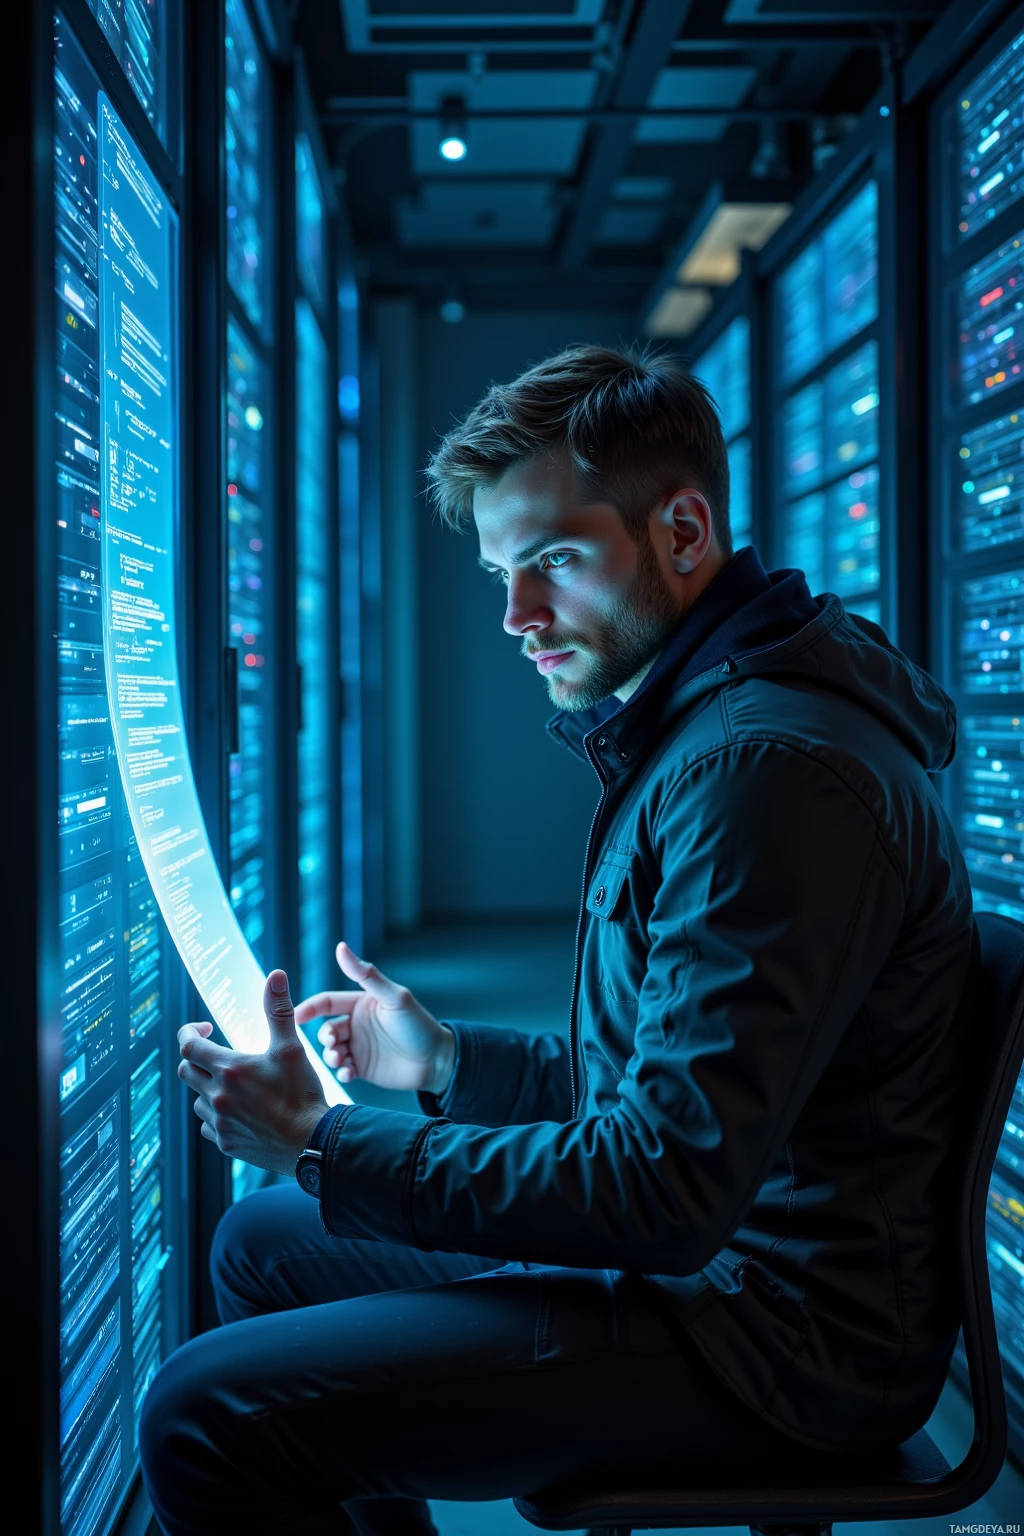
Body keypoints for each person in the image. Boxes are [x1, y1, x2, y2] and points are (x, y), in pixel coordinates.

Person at [140, 346, 975, 1536]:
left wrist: (323, 1143)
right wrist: (443, 1066)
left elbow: (664, 1184)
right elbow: (668, 1092)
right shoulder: (717, 729)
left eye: (553, 564)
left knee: (198, 1416)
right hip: (722, 1274)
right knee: (265, 1243)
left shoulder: (762, 772)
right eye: (500, 575)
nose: (516, 619)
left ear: (683, 532)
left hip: (770, 1339)